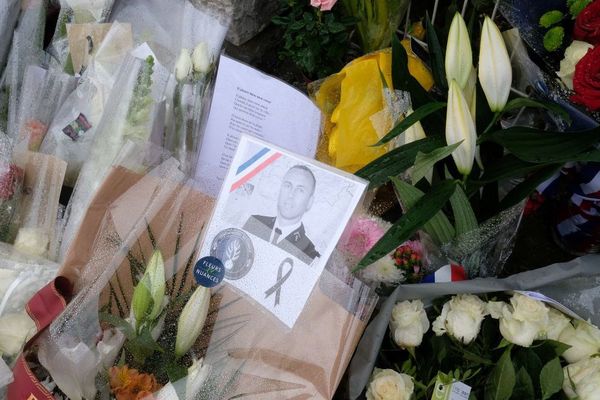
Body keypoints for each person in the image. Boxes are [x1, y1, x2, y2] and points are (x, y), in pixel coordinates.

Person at [243, 165, 320, 264]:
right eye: (288, 185)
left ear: (309, 202)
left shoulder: (309, 251)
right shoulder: (254, 222)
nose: (291, 194)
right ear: (280, 190)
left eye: (300, 190)